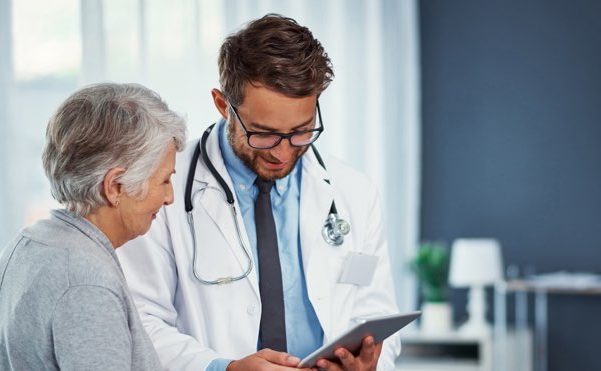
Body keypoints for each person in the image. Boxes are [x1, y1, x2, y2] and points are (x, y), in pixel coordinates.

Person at [117, 13, 400, 371]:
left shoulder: (354, 191)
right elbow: (141, 322)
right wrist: (226, 368)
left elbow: (375, 310)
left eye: (301, 131)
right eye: (263, 133)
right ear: (223, 105)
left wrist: (369, 363)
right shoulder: (162, 189)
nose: (282, 153)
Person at [0, 83, 186, 371]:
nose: (169, 197)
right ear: (114, 186)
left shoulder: (32, 241)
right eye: (164, 181)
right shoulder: (84, 279)